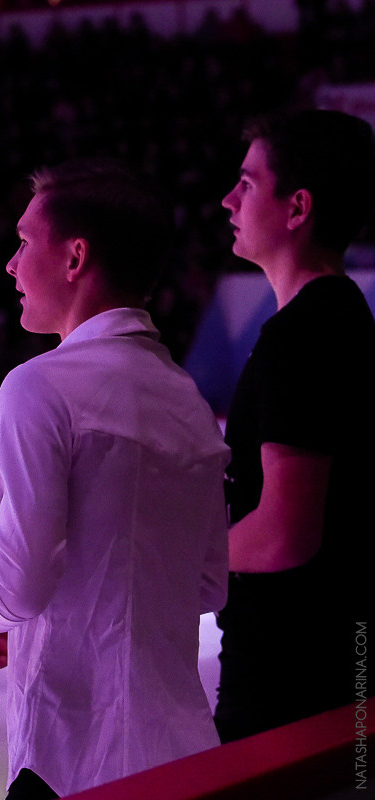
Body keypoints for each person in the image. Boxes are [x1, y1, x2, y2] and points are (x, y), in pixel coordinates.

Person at [0, 157, 230, 798]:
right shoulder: (187, 401)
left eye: (23, 243)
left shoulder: (38, 389)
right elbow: (205, 583)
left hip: (73, 759)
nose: (11, 266)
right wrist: (45, 639)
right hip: (183, 753)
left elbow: (20, 583)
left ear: (74, 258)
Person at [215, 109, 375, 743]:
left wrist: (174, 564)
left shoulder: (302, 336)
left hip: (292, 678)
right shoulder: (340, 316)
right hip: (328, 664)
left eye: (248, 184)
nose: (229, 198)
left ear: (297, 207)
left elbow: (286, 533)